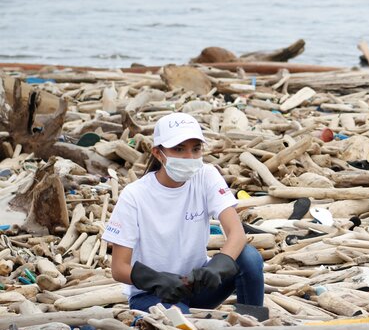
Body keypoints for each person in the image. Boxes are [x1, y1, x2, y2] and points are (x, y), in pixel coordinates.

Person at [103, 112, 264, 314]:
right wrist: (159, 280)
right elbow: (119, 268)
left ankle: (253, 323)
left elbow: (236, 233)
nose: (189, 157)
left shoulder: (206, 176)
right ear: (157, 153)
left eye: (196, 149)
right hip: (154, 293)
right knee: (182, 327)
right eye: (179, 149)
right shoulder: (134, 195)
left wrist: (217, 267)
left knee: (249, 257)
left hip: (197, 286)